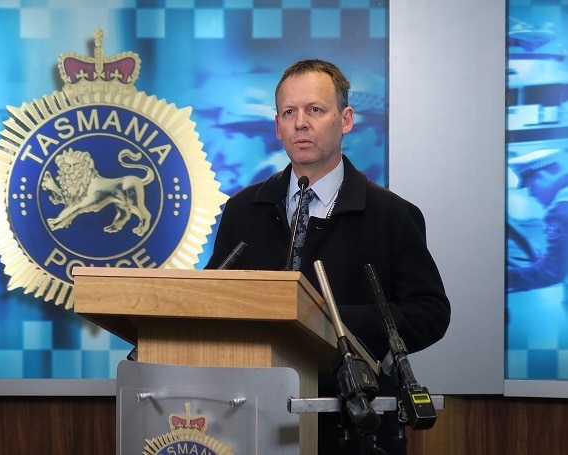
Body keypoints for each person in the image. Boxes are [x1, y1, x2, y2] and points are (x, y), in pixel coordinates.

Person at [206, 59, 451, 454]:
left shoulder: (391, 214)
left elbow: (430, 312)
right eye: (289, 112)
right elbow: (212, 299)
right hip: (251, 418)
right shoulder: (242, 209)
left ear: (346, 120)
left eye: (315, 110)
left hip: (354, 422)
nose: (300, 122)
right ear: (278, 126)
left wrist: (330, 326)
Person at [507, 148, 568, 298]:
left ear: (540, 176)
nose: (530, 193)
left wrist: (502, 278)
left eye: (529, 186)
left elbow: (550, 272)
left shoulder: (560, 212)